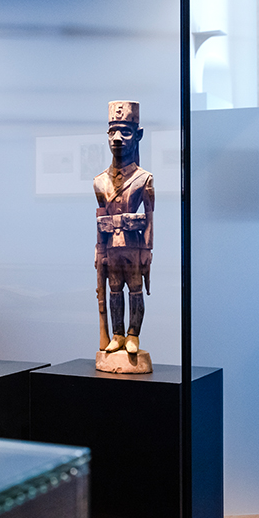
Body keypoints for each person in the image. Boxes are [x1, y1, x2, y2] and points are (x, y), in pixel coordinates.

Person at [94, 100, 153, 355]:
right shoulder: (100, 182)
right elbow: (99, 216)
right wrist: (99, 250)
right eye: (113, 132)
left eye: (125, 132)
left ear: (137, 135)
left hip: (134, 246)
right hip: (111, 247)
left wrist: (148, 250)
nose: (117, 138)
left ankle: (133, 335)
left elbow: (150, 216)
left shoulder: (144, 179)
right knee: (114, 289)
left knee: (135, 289)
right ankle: (117, 333)